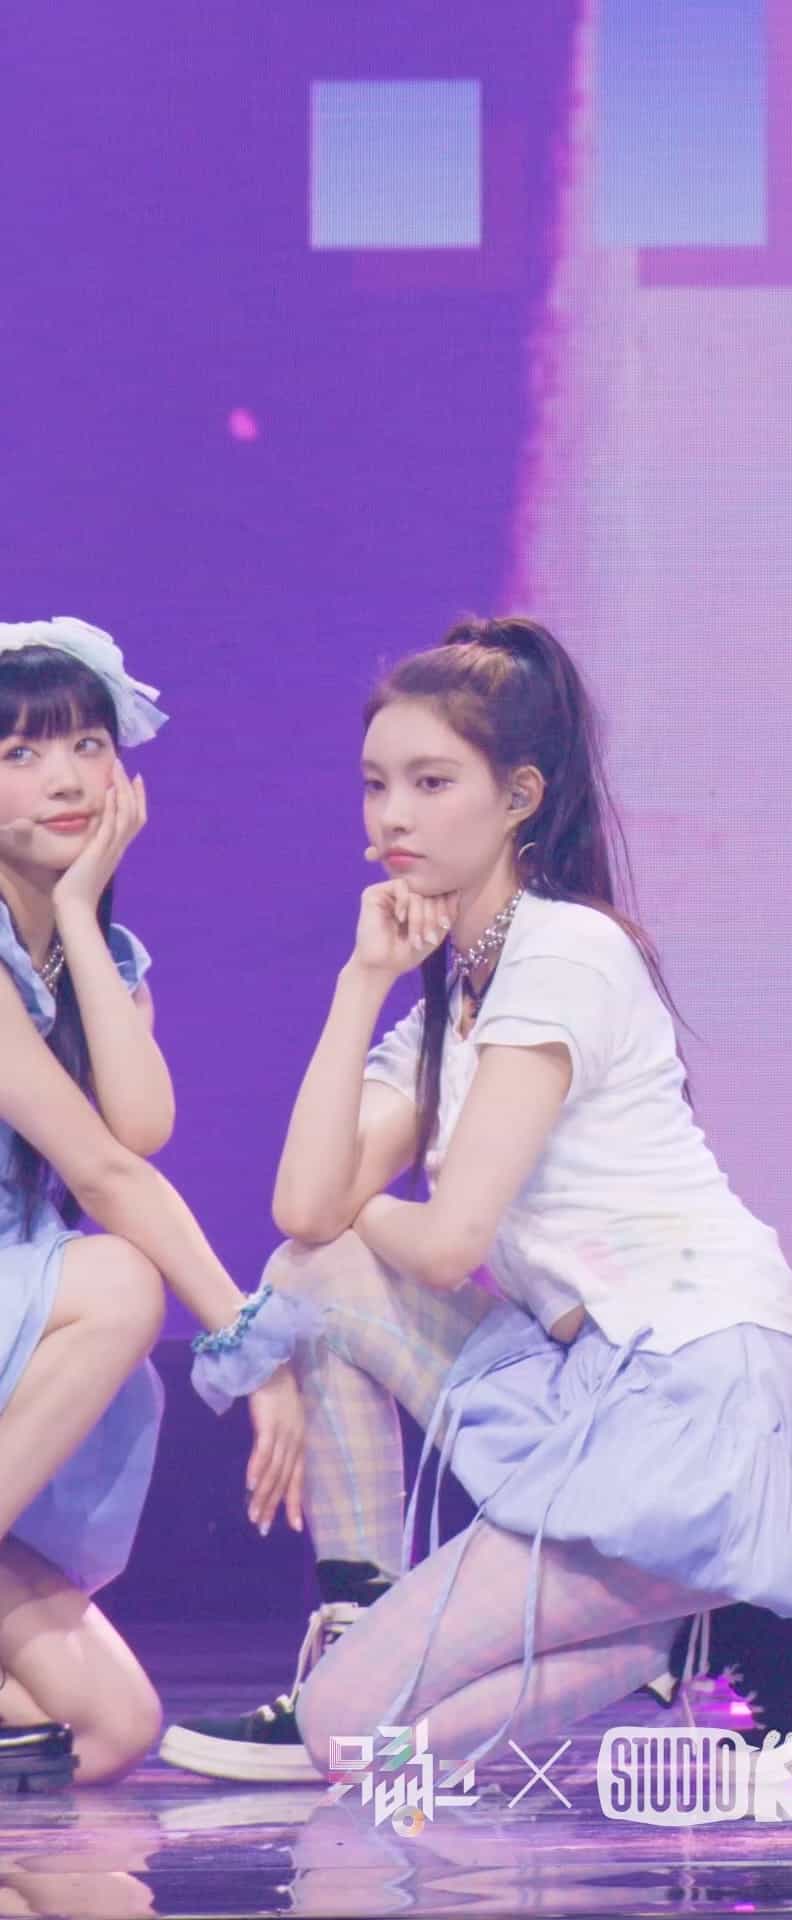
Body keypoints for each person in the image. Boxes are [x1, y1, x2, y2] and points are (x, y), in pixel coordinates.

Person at [160, 615, 792, 1788]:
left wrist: (355, 1211)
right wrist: (361, 981)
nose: (393, 815)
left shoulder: (565, 953)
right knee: (310, 1277)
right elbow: (301, 1215)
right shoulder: (451, 1001)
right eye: (376, 784)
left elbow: (446, 1245)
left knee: (349, 1734)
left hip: (700, 1406)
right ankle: (621, 1635)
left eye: (432, 782)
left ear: (520, 798)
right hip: (586, 1394)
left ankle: (682, 1624)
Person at [0, 618, 307, 1791]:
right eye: (22, 752)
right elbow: (106, 1179)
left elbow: (141, 1129)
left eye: (87, 744)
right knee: (121, 1279)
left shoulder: (100, 958)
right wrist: (249, 1349)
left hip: (16, 1306)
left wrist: (81, 918)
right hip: (33, 1300)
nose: (67, 777)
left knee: (110, 1728)